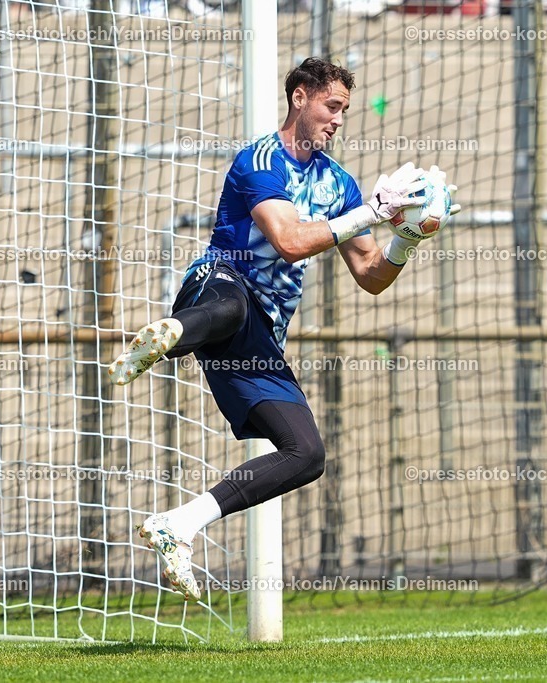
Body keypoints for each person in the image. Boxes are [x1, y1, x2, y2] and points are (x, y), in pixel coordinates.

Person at [108, 57, 460, 600]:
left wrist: (406, 240)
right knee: (231, 308)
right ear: (300, 98)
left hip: (261, 337)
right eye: (332, 106)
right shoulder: (261, 160)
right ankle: (169, 334)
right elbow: (290, 242)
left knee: (306, 454)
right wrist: (373, 211)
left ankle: (178, 525)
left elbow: (370, 276)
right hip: (218, 286)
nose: (339, 119)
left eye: (344, 110)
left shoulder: (338, 183)